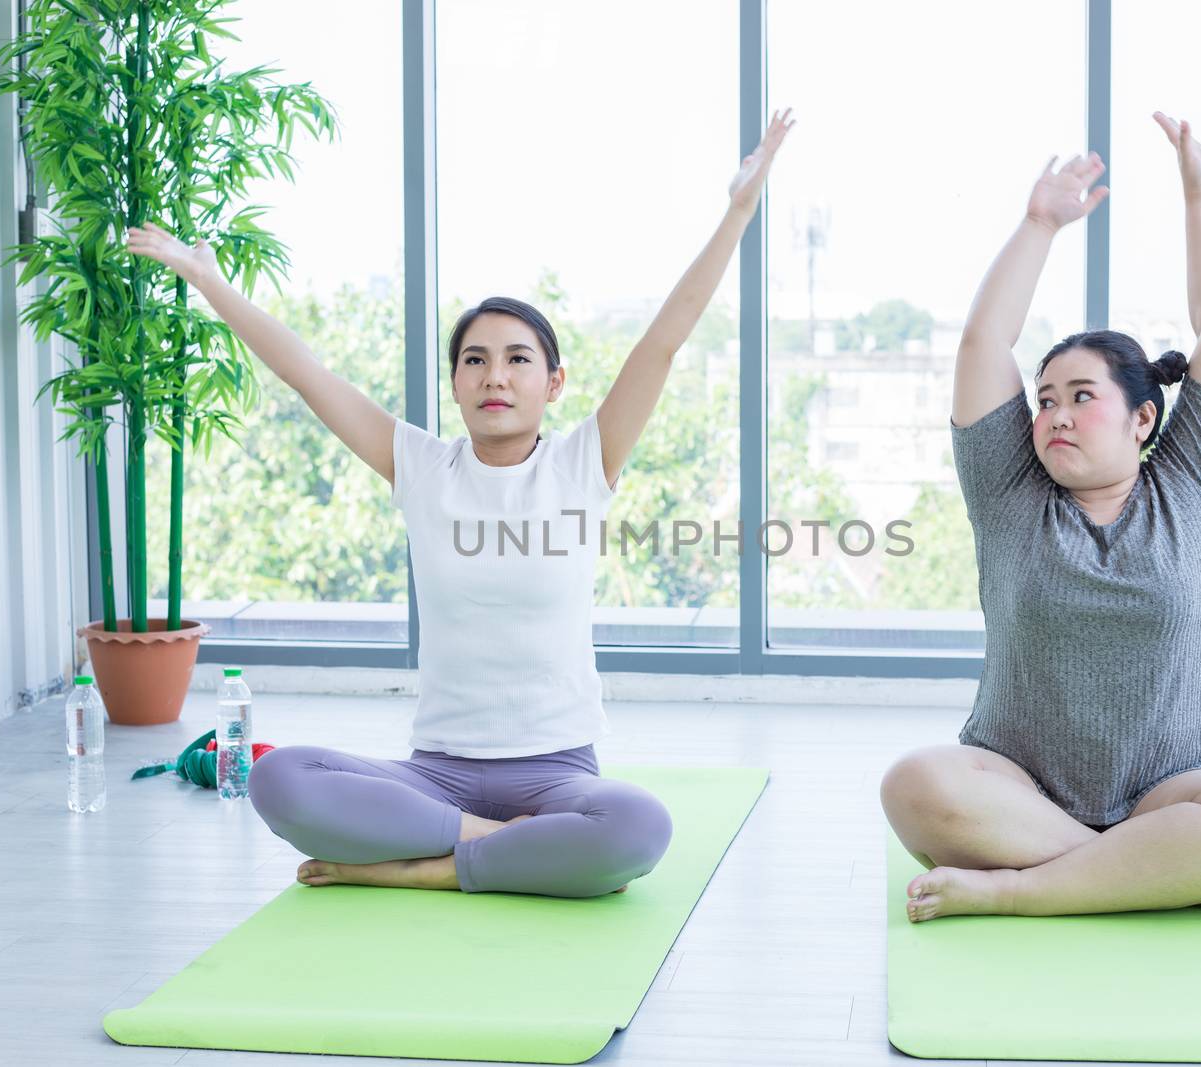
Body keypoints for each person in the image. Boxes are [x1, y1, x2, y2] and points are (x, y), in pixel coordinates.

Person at [127, 110, 796, 898]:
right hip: (435, 776)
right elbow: (307, 375)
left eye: (518, 360)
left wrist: (739, 211)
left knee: (638, 827)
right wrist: (210, 282)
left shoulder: (585, 461)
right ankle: (493, 847)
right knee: (281, 780)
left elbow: (663, 341)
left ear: (554, 384)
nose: (495, 377)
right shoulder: (421, 466)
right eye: (475, 360)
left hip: (559, 776)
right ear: (455, 383)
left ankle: (423, 871)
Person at [879, 113, 1201, 921]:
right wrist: (1040, 222)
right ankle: (1149, 875)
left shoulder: (1193, 484)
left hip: (1167, 790)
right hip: (1018, 789)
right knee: (914, 784)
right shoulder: (1008, 492)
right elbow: (982, 339)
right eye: (1044, 401)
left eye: (1081, 397)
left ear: (1145, 419)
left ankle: (1017, 891)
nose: (1055, 415)